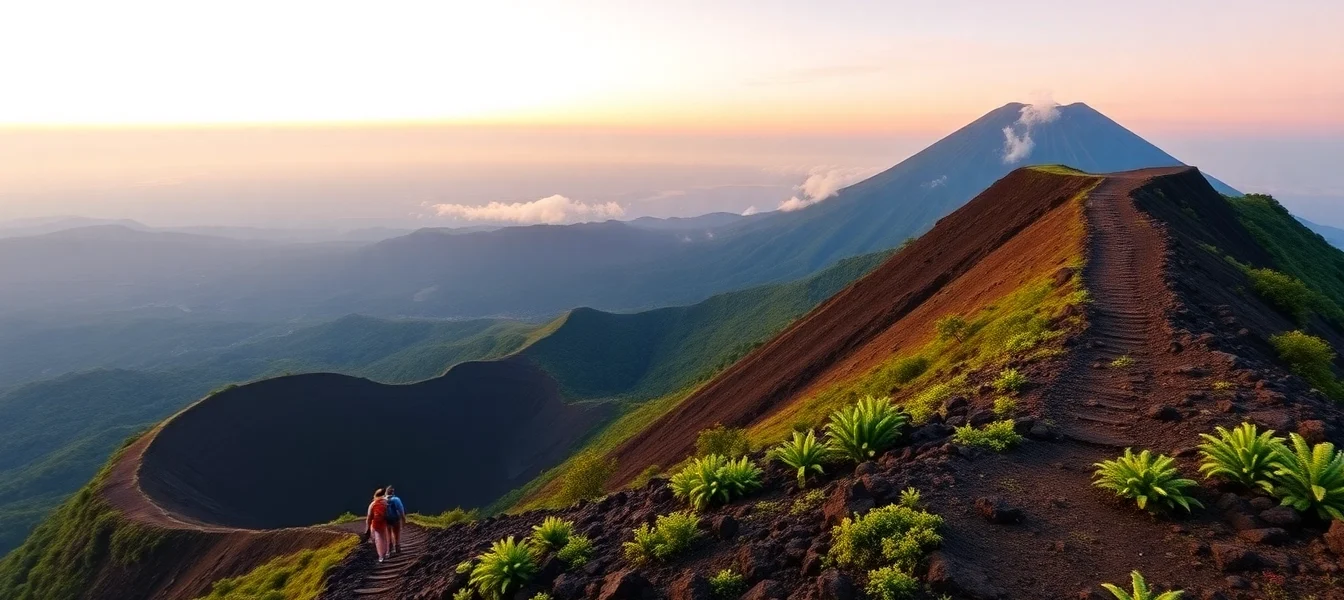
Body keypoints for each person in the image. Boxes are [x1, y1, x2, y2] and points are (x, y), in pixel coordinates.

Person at [365, 488, 391, 563]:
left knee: (378, 539)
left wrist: (367, 529)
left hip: (376, 524)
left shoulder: (373, 504)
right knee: (386, 538)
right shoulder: (387, 502)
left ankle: (381, 556)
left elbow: (369, 517)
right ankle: (387, 552)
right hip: (386, 523)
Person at [384, 485, 406, 555]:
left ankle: (389, 549)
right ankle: (397, 548)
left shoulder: (382, 500)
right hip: (395, 519)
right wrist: (403, 520)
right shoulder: (396, 499)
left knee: (388, 533)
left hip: (386, 519)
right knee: (397, 533)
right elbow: (401, 511)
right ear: (393, 492)